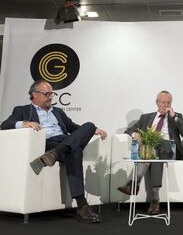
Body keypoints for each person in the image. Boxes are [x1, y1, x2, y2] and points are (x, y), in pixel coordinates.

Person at [0, 80, 107, 223]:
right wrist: (24, 124)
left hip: (63, 142)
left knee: (89, 126)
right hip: (47, 143)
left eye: (52, 94)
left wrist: (94, 131)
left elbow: (73, 127)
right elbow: (5, 125)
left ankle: (57, 153)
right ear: (34, 94)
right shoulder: (22, 110)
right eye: (46, 94)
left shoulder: (58, 111)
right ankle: (82, 206)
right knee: (75, 151)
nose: (50, 97)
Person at [117, 90, 183, 214]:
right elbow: (129, 130)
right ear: (157, 103)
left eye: (168, 102)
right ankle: (155, 199)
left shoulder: (176, 116)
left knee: (155, 146)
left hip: (170, 150)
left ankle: (134, 184)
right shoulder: (146, 117)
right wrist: (136, 134)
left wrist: (175, 117)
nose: (166, 105)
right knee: (152, 149)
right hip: (153, 150)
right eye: (163, 102)